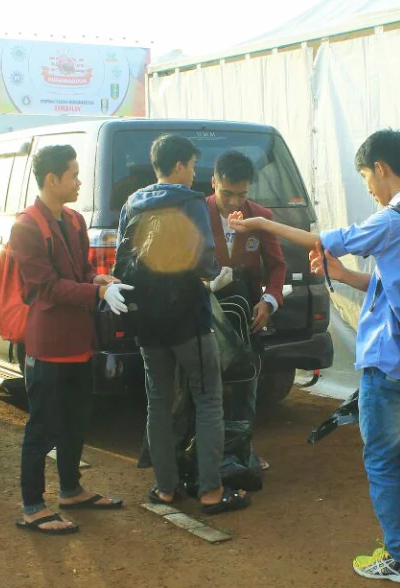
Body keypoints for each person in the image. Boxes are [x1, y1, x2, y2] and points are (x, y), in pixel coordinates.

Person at [231, 129, 400, 583]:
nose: (367, 184)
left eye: (366, 175)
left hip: (389, 360)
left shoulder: (393, 218)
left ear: (381, 168)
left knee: (382, 459)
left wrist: (262, 224)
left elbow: (321, 240)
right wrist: (344, 275)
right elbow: (399, 287)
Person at [122, 134, 251, 514]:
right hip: (188, 318)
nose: (195, 174)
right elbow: (203, 258)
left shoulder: (132, 202)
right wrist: (218, 274)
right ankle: (211, 492)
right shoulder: (190, 201)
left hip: (146, 318)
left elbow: (120, 257)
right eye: (193, 166)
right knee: (208, 397)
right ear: (179, 166)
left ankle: (165, 488)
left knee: (158, 400)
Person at [9, 145, 129, 536]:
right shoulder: (26, 226)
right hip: (48, 346)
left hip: (79, 340)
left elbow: (78, 272)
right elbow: (44, 288)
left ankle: (71, 490)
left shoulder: (74, 221)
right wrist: (94, 293)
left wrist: (99, 280)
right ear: (51, 179)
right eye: (74, 175)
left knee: (77, 420)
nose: (79, 181)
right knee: (43, 427)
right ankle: (32, 506)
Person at [206, 150, 287, 470]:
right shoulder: (196, 212)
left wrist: (269, 302)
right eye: (227, 193)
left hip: (245, 318)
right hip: (207, 314)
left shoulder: (260, 216)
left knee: (245, 385)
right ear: (214, 183)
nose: (235, 203)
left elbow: (278, 267)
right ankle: (206, 455)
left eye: (242, 194)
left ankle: (242, 452)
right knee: (206, 388)